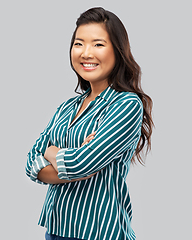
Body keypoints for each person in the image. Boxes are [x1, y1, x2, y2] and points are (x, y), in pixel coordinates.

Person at [26, 7, 154, 240]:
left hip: (98, 232)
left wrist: (53, 152)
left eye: (98, 44)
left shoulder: (125, 104)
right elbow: (31, 161)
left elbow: (81, 165)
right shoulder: (68, 107)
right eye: (79, 43)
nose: (86, 53)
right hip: (56, 229)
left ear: (118, 51)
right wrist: (73, 161)